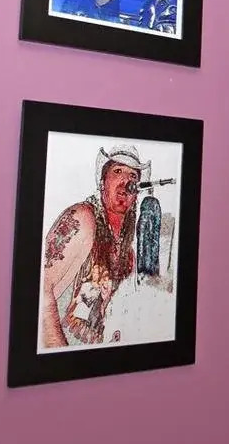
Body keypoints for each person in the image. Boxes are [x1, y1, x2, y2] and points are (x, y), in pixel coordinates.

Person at [40, 145, 150, 348]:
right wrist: (61, 355)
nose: (126, 182)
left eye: (133, 176)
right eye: (117, 171)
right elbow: (39, 288)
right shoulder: (82, 219)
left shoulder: (128, 254)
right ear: (102, 182)